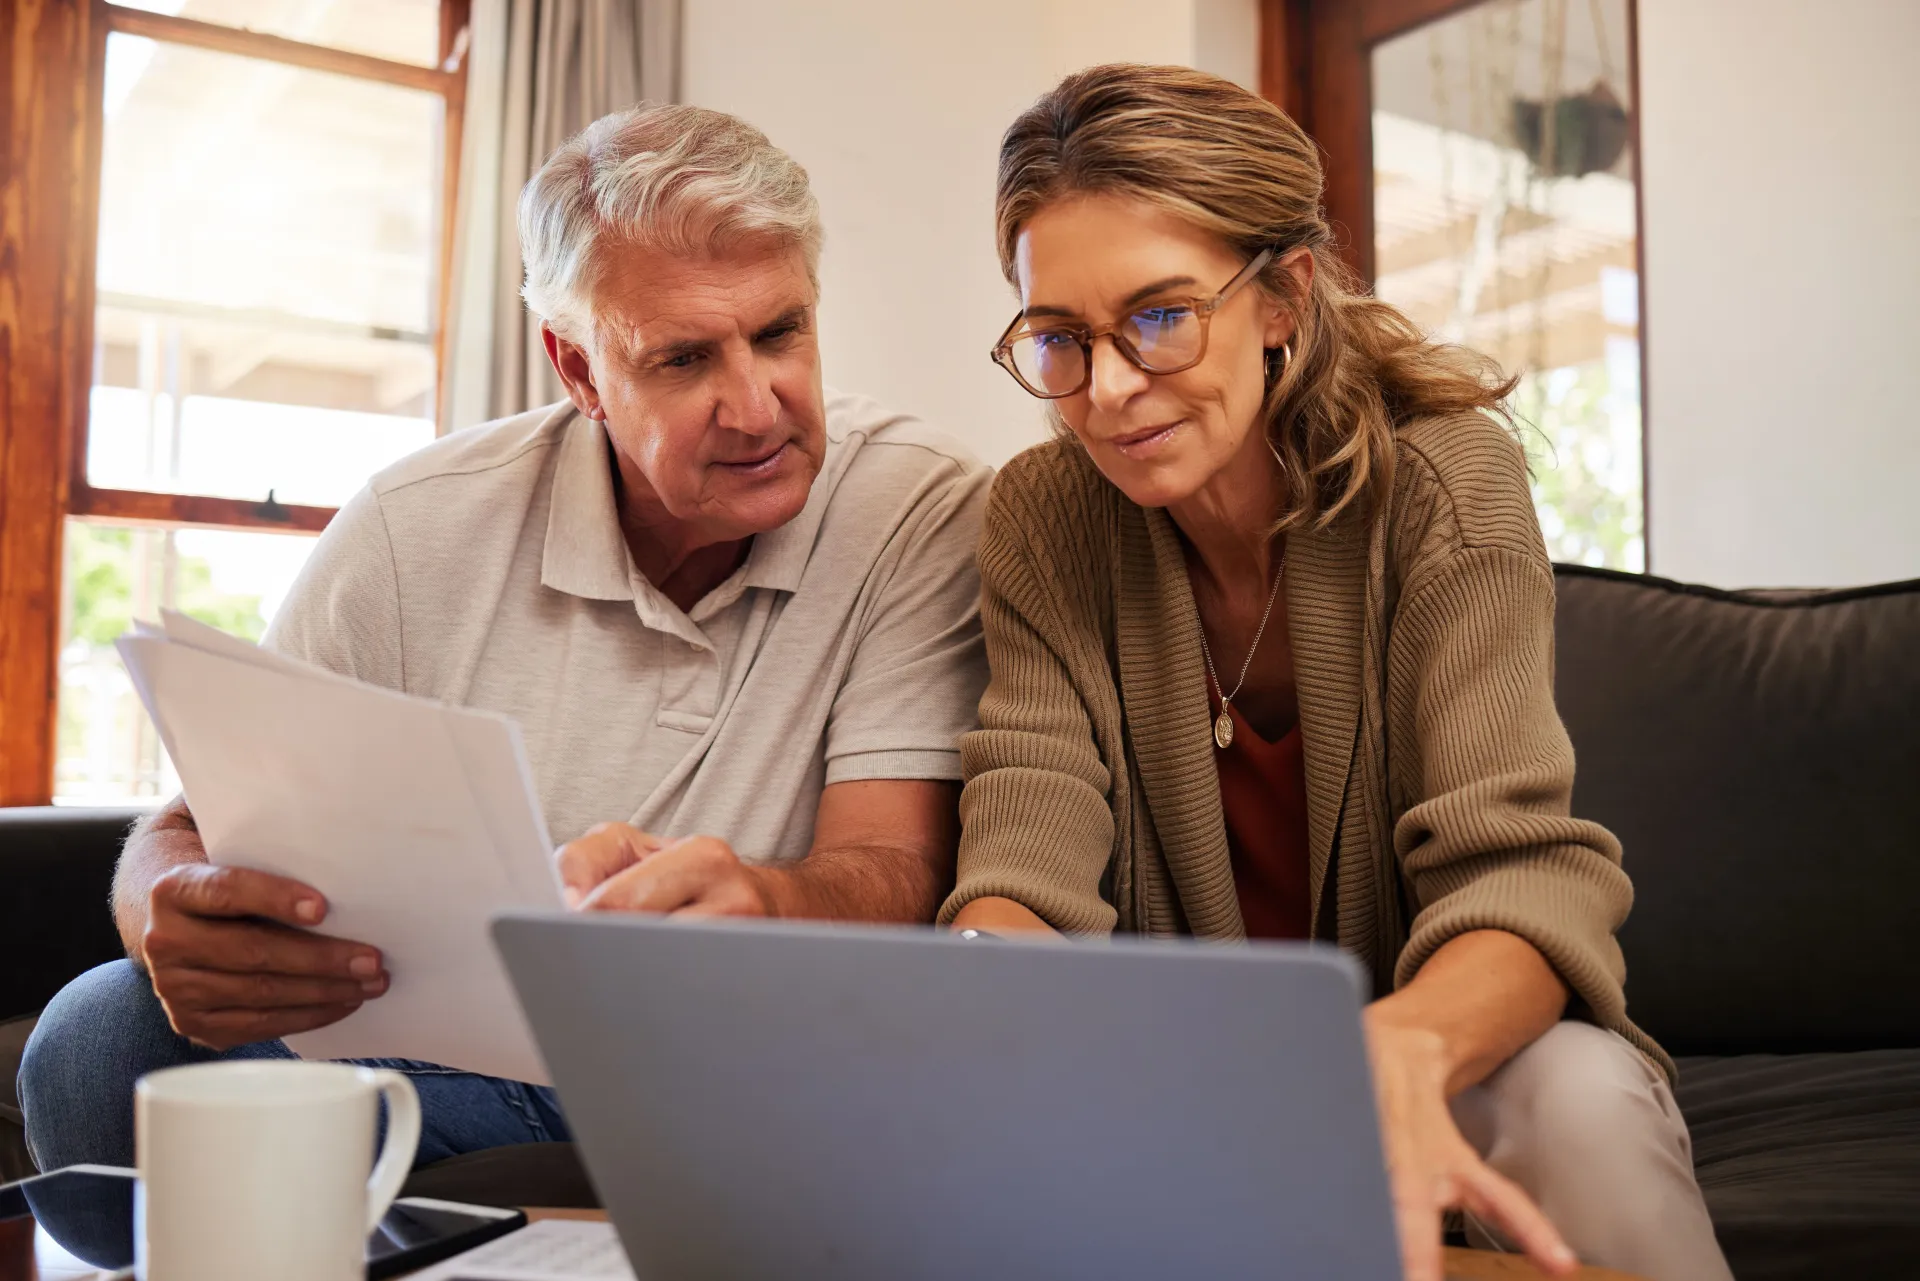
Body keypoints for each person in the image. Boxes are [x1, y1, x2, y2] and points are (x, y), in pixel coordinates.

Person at [21, 104, 989, 1173]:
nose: (757, 409)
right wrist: (164, 913)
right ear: (577, 373)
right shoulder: (414, 524)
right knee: (96, 1039)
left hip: (736, 1067)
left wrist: (766, 903)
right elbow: (191, 828)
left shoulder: (919, 506)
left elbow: (895, 865)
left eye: (779, 333)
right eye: (681, 360)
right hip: (429, 1055)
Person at [940, 64, 1731, 1281]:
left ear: (1282, 297)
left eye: (1160, 316)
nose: (1104, 392)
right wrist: (998, 990)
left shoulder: (1443, 482)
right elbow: (1024, 866)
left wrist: (1394, 1055)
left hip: (1448, 1055)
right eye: (1059, 338)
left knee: (1576, 1094)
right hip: (1182, 1084)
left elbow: (1516, 877)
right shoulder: (1041, 518)